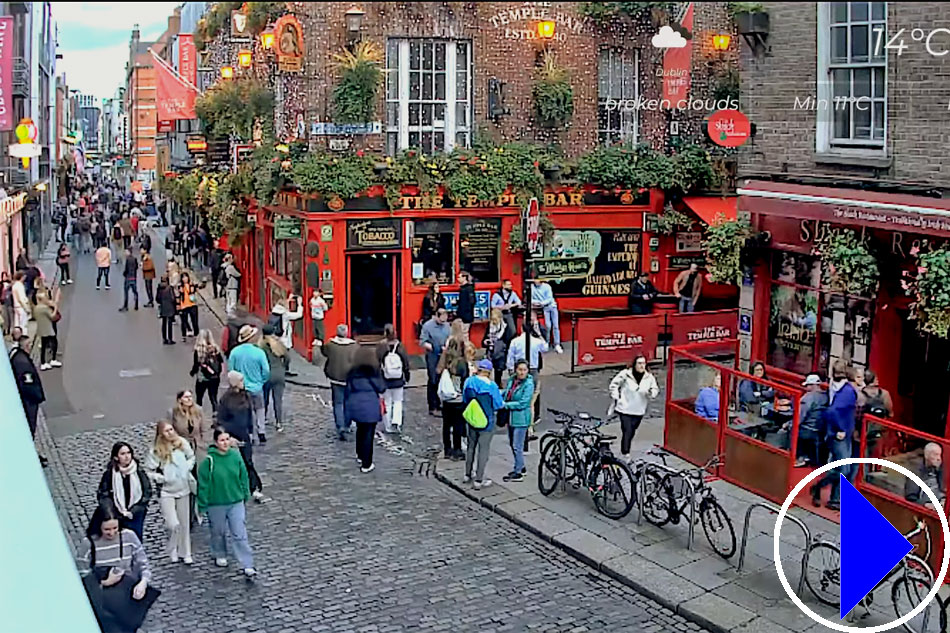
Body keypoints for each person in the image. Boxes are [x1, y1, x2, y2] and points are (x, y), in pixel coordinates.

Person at [80, 501, 158, 633]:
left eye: (115, 528)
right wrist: (105, 583)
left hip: (126, 602)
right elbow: (81, 575)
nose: (111, 533)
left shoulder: (129, 537)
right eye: (107, 530)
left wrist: (143, 583)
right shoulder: (89, 544)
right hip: (104, 607)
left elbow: (143, 564)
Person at [196, 426, 257, 577]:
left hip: (235, 501)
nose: (225, 443)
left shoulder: (236, 456)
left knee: (239, 533)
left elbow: (243, 475)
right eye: (222, 440)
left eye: (227, 439)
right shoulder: (208, 462)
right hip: (216, 503)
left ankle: (247, 563)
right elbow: (203, 485)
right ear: (216, 442)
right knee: (218, 531)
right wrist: (202, 504)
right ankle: (219, 552)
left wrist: (245, 493)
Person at [144, 420, 195, 564]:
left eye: (171, 429)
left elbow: (191, 457)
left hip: (183, 488)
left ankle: (185, 552)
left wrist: (187, 468)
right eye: (167, 431)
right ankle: (172, 548)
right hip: (167, 491)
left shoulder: (182, 443)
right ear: (161, 434)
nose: (171, 433)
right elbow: (149, 470)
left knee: (184, 523)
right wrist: (161, 478)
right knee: (173, 524)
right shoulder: (156, 450)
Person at [810, 361, 858, 511]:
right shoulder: (848, 391)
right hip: (840, 435)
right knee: (844, 469)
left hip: (834, 433)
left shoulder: (834, 386)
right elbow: (832, 411)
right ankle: (819, 487)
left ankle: (834, 499)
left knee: (838, 466)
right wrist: (841, 428)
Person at [218, 371, 264, 500]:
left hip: (244, 434)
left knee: (248, 461)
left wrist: (251, 431)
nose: (243, 383)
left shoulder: (246, 395)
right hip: (232, 434)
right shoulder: (226, 399)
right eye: (241, 381)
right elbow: (221, 420)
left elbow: (250, 414)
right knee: (233, 462)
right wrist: (227, 436)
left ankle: (254, 487)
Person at [97, 442, 153, 541]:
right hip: (117, 514)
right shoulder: (110, 474)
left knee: (136, 538)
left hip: (136, 514)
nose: (127, 456)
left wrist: (135, 510)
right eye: (123, 454)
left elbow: (146, 492)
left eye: (128, 453)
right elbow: (103, 494)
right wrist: (111, 511)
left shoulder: (138, 471)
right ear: (116, 457)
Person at [462, 359, 504, 490]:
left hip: (472, 419)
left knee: (470, 447)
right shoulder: (492, 386)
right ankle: (479, 480)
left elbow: (465, 398)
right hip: (487, 421)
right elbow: (498, 404)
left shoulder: (469, 382)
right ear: (489, 372)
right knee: (483, 450)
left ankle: (467, 474)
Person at [609, 355, 660, 459]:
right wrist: (616, 396)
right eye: (639, 363)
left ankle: (626, 448)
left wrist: (651, 393)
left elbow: (655, 389)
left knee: (632, 430)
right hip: (624, 408)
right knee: (627, 430)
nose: (642, 366)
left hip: (638, 409)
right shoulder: (625, 374)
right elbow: (614, 384)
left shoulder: (649, 377)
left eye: (644, 363)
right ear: (635, 364)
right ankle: (625, 453)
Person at [9, 333, 49, 467]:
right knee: (29, 428)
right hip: (28, 402)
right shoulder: (23, 362)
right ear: (26, 346)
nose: (31, 346)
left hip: (25, 401)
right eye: (30, 344)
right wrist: (38, 397)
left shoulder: (17, 356)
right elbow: (28, 385)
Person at [345, 347, 387, 473]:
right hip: (370, 405)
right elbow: (381, 388)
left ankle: (360, 455)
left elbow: (348, 390)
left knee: (360, 430)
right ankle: (366, 463)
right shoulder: (374, 372)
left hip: (356, 404)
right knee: (369, 433)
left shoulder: (352, 372)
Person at [228, 325, 271, 444]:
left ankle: (250, 433)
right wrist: (261, 381)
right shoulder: (259, 352)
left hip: (241, 388)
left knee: (246, 411)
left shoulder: (235, 352)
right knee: (260, 408)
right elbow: (266, 370)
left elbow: (231, 371)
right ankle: (261, 431)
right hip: (256, 386)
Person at [438, 335, 471, 461]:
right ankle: (457, 450)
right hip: (458, 399)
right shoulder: (462, 363)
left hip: (446, 400)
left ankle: (447, 449)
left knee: (446, 425)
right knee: (457, 425)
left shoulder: (444, 362)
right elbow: (465, 382)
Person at [501, 360, 535, 483]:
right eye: (520, 369)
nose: (522, 372)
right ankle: (521, 466)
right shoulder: (512, 380)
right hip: (511, 418)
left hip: (521, 419)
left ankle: (518, 472)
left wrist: (505, 405)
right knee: (512, 444)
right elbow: (507, 392)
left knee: (517, 445)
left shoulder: (529, 384)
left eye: (524, 370)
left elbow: (523, 403)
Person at [324, 323, 358, 440]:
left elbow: (324, 352)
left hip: (335, 377)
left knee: (338, 403)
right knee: (348, 402)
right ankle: (347, 425)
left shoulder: (331, 344)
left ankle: (340, 427)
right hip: (349, 378)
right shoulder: (354, 346)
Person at [376, 323, 410, 434]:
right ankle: (397, 422)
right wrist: (407, 374)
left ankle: (387, 425)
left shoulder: (381, 346)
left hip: (385, 378)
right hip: (398, 378)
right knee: (398, 401)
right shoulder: (400, 346)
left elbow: (377, 362)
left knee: (387, 402)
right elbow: (405, 362)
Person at [420, 308, 451, 416]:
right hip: (432, 355)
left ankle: (439, 403)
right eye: (441, 320)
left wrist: (447, 345)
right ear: (436, 317)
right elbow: (422, 341)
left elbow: (449, 337)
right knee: (433, 380)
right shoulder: (428, 326)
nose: (443, 322)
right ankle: (432, 406)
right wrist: (432, 347)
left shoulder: (447, 326)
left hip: (444, 354)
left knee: (442, 379)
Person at [793, 374, 827, 468]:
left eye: (807, 385)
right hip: (821, 431)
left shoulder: (808, 398)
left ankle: (799, 457)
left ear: (812, 385)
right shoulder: (826, 396)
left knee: (790, 428)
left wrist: (789, 424)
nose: (806, 388)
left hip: (807, 430)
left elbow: (799, 417)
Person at [266, 295, 303, 376]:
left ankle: (278, 368)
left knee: (277, 354)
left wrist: (289, 299)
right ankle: (284, 370)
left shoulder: (274, 311)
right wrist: (300, 305)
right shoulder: (285, 315)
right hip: (284, 339)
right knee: (286, 356)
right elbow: (298, 315)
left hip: (276, 337)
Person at [261, 330, 289, 433]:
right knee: (278, 400)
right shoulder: (279, 344)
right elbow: (287, 358)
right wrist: (284, 368)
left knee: (265, 397)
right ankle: (279, 423)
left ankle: (263, 418)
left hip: (267, 374)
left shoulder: (261, 346)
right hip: (279, 374)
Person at [191, 330, 223, 413]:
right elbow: (220, 361)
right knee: (213, 397)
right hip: (215, 377)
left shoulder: (198, 350)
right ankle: (216, 415)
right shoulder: (215, 349)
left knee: (199, 397)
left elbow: (196, 365)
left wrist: (192, 372)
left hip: (202, 378)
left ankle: (198, 415)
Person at [904, 443, 945, 508]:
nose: (939, 458)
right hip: (926, 507)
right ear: (926, 455)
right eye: (935, 455)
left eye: (940, 455)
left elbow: (942, 489)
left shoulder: (939, 470)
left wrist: (943, 500)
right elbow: (911, 498)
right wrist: (925, 505)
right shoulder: (915, 472)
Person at [531, 279, 562, 353]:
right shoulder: (532, 287)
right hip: (545, 308)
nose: (536, 281)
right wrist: (538, 303)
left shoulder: (547, 286)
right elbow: (531, 299)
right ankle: (547, 342)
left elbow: (549, 298)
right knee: (548, 325)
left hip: (552, 306)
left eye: (537, 280)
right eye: (535, 280)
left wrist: (541, 303)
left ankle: (557, 344)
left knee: (555, 326)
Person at [482, 308, 510, 387]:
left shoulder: (505, 327)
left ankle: (498, 383)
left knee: (498, 370)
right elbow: (483, 339)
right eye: (492, 319)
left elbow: (508, 340)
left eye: (495, 319)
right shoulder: (489, 327)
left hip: (500, 352)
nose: (493, 322)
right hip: (490, 351)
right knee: (487, 369)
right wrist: (485, 342)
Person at [34, 294, 61, 370]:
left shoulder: (36, 308)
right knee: (54, 342)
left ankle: (43, 362)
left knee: (43, 345)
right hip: (48, 328)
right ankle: (53, 359)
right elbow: (52, 316)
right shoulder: (44, 308)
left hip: (41, 328)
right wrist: (55, 307)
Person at [177, 272, 200, 339]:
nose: (185, 279)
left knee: (195, 321)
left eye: (186, 277)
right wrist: (178, 305)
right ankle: (183, 335)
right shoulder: (180, 287)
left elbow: (199, 287)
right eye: (183, 277)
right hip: (184, 305)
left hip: (192, 304)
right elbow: (178, 296)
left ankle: (196, 333)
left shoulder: (191, 285)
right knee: (184, 321)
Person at [156, 275, 177, 345]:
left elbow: (157, 299)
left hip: (163, 307)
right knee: (170, 324)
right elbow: (173, 298)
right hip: (170, 307)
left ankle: (164, 339)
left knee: (164, 323)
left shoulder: (159, 288)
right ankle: (170, 339)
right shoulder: (170, 288)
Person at [456, 271, 476, 339]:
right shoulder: (463, 288)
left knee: (464, 334)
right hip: (462, 315)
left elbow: (471, 301)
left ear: (464, 278)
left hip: (466, 316)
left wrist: (466, 313)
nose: (458, 279)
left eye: (459, 277)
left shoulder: (468, 288)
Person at [0, 271, 13, 336]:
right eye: (3, 276)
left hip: (10, 302)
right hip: (3, 302)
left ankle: (9, 329)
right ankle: (5, 330)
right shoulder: (1, 285)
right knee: (5, 317)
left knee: (10, 317)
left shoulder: (10, 284)